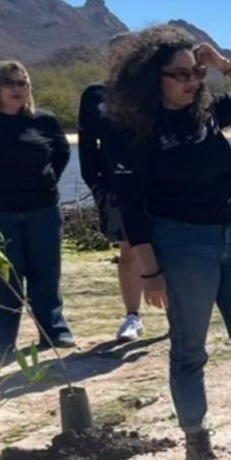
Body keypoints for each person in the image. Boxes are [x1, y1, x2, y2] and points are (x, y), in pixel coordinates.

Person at [106, 25, 231, 460]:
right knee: (190, 347)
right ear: (150, 78)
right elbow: (131, 208)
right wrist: (149, 271)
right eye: (180, 75)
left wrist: (224, 65)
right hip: (180, 242)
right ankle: (197, 444)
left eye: (196, 72)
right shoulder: (134, 129)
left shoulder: (207, 112)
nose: (192, 81)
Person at [0, 60, 75, 361]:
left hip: (43, 209)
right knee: (3, 280)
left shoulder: (44, 120)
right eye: (10, 83)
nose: (18, 89)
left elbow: (62, 152)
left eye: (23, 83)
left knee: (46, 275)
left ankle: (53, 331)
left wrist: (47, 180)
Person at [79, 48, 144, 343]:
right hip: (116, 186)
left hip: (158, 185)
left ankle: (177, 317)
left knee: (167, 249)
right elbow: (86, 144)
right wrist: (96, 183)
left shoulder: (153, 89)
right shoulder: (94, 95)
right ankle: (133, 317)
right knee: (128, 250)